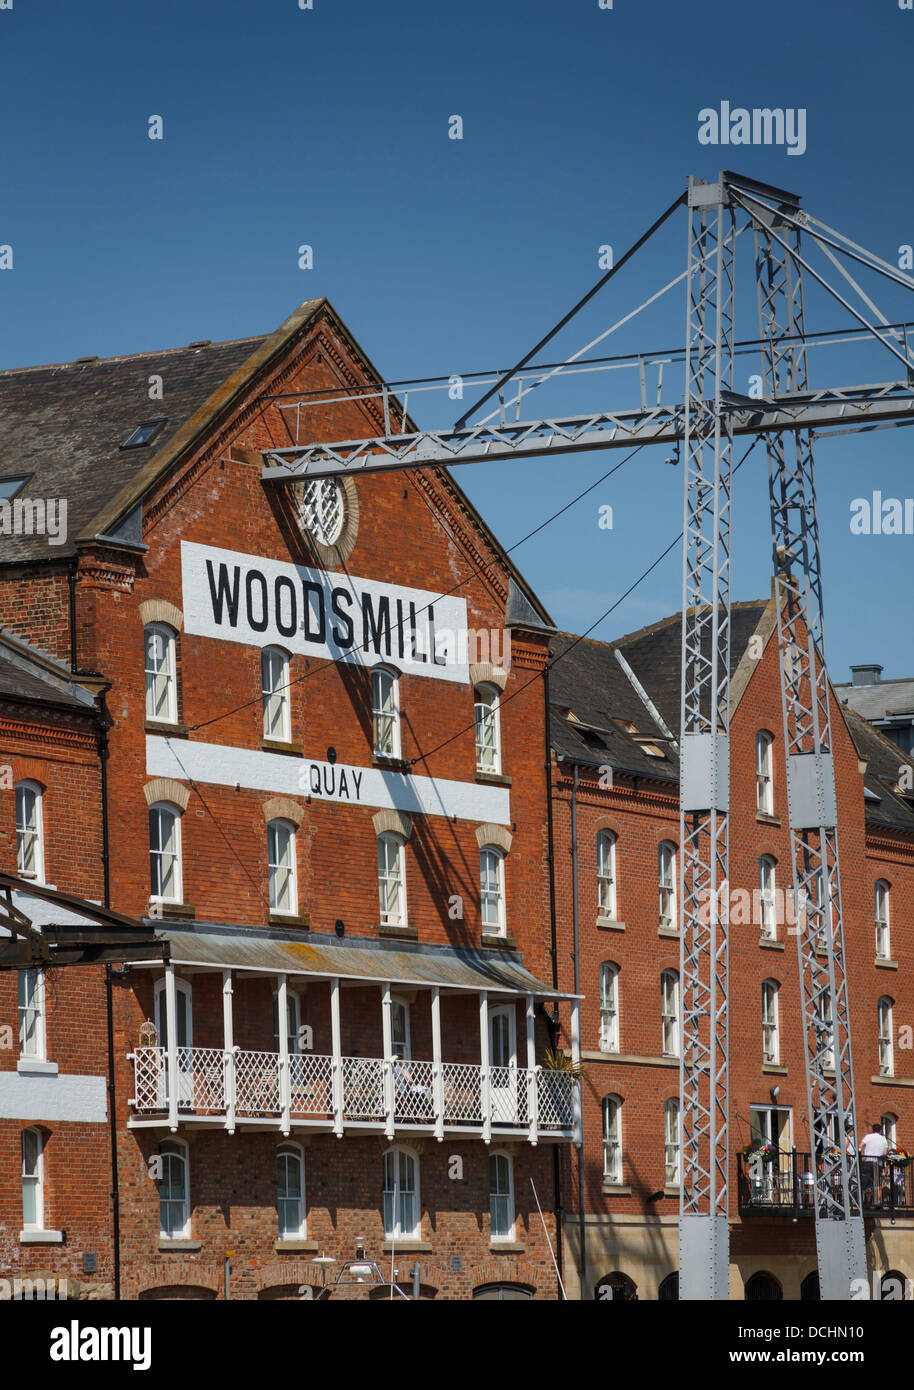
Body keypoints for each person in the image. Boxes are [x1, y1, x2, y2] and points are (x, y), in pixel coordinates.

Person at [860, 1122, 889, 1207]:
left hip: (867, 1161)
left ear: (873, 1130)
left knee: (866, 1182)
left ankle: (866, 1202)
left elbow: (860, 1145)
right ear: (880, 1130)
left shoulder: (868, 1137)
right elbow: (885, 1152)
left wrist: (862, 1154)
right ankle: (877, 1202)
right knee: (876, 1183)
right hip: (877, 1163)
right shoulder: (883, 1139)